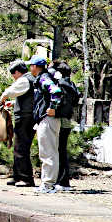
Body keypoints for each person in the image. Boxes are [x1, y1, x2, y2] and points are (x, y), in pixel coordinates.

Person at [28, 55, 63, 193]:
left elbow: (56, 91)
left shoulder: (43, 78)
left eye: (31, 65)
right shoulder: (45, 77)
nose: (30, 68)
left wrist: (53, 108)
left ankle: (48, 185)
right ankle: (49, 183)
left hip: (47, 120)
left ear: (35, 67)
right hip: (48, 120)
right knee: (51, 152)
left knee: (47, 153)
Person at [0, 60, 36, 187]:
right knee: (18, 147)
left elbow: (10, 91)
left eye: (13, 74)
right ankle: (17, 176)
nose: (13, 78)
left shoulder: (24, 79)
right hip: (28, 116)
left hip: (25, 118)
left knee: (21, 148)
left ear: (18, 72)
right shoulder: (31, 79)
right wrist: (13, 103)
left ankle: (26, 178)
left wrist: (2, 98)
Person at [50, 60, 78, 191]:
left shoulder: (60, 84)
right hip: (67, 121)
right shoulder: (71, 84)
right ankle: (63, 180)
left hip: (60, 121)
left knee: (58, 151)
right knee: (62, 150)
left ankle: (61, 181)